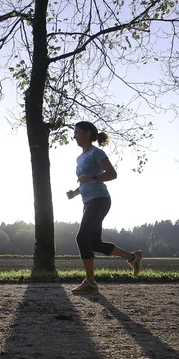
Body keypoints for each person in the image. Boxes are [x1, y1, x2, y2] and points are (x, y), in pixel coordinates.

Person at [66, 121, 142, 294]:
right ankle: (132, 257)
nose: (74, 136)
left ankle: (91, 283)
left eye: (77, 132)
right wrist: (75, 193)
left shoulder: (96, 153)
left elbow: (112, 174)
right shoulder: (80, 158)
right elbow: (85, 181)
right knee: (94, 243)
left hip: (100, 199)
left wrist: (92, 178)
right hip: (88, 201)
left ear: (87, 133)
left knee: (81, 237)